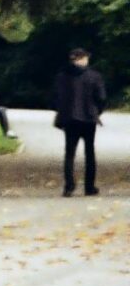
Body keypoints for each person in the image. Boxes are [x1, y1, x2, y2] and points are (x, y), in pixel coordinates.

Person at [53, 46, 107, 198]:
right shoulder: (94, 76)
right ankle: (89, 187)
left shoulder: (62, 76)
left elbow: (54, 97)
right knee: (89, 152)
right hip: (88, 119)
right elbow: (101, 98)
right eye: (85, 58)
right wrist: (97, 111)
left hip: (69, 119)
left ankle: (69, 186)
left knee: (69, 153)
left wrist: (61, 111)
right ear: (81, 59)